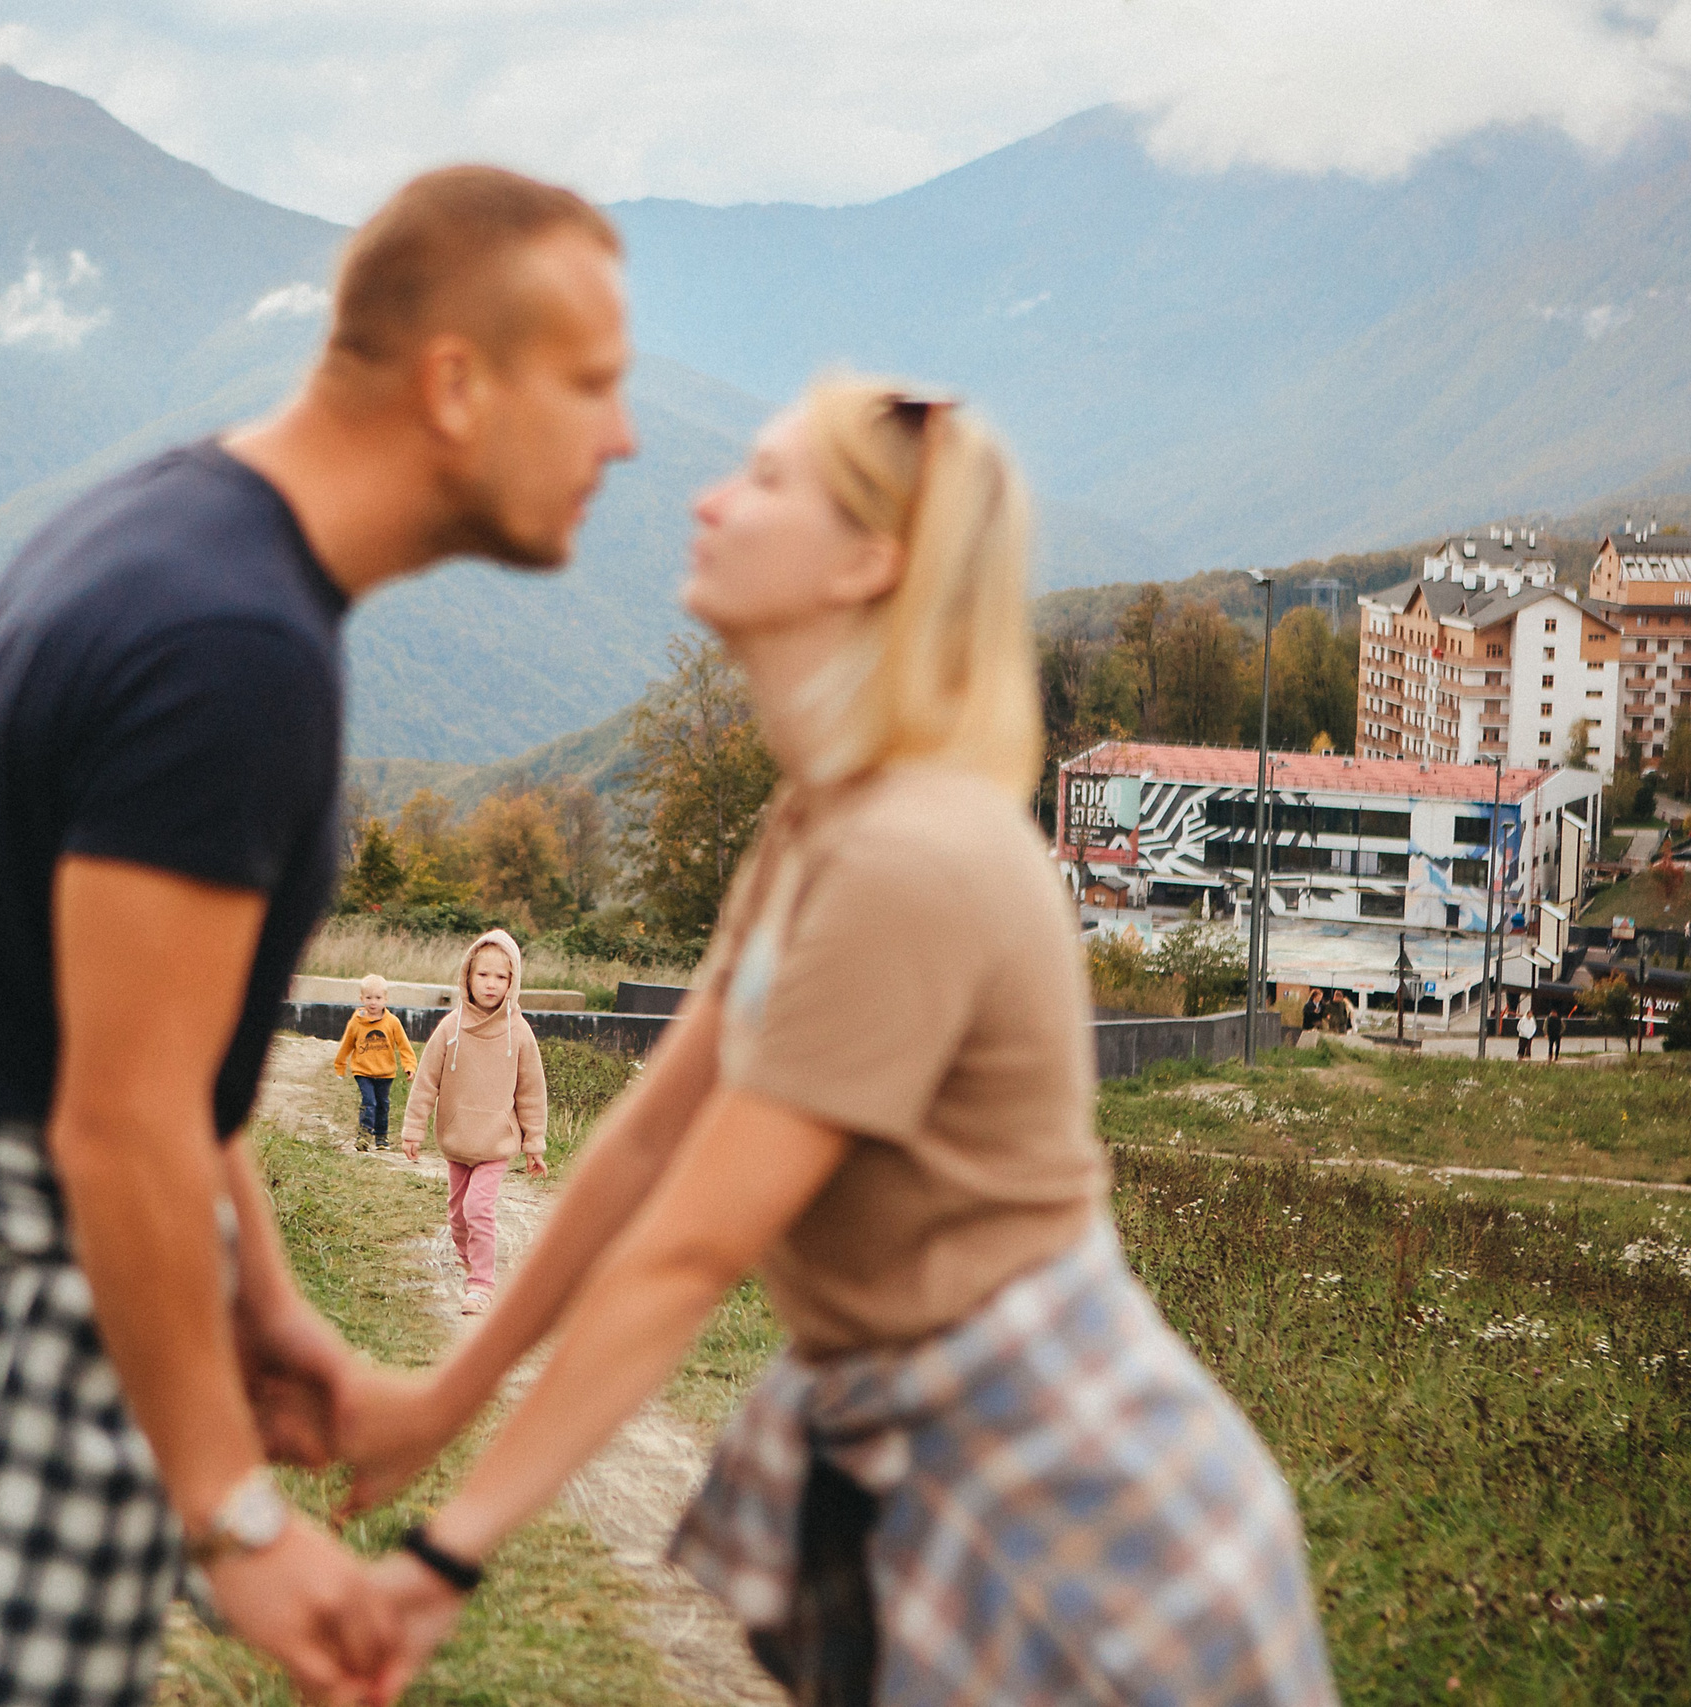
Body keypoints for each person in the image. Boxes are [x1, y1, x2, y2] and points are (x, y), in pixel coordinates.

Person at [0, 165, 636, 1707]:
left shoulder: (179, 524)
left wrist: (267, 1311)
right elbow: (123, 1119)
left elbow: (150, 1047)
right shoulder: (236, 650)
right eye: (596, 383)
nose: (621, 433)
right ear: (457, 384)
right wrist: (233, 1511)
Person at [345, 380, 1336, 1707]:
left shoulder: (910, 857)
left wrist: (443, 1555)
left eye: (760, 479)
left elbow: (689, 1248)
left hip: (1069, 1509)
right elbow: (646, 1140)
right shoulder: (819, 823)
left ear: (872, 557)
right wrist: (440, 1398)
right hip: (916, 1448)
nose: (706, 497)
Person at [401, 930, 549, 1314]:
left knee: (478, 1208)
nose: (491, 984)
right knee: (457, 1215)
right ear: (467, 975)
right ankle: (469, 1259)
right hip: (456, 1139)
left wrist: (534, 1144)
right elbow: (426, 1083)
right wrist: (413, 1130)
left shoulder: (520, 1032)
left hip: (496, 1142)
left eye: (501, 977)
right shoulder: (450, 1028)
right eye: (483, 975)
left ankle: (482, 1284)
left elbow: (531, 1093)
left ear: (513, 983)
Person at [333, 974, 419, 1148]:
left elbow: (403, 1045)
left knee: (382, 1104)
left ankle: (381, 1137)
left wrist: (409, 1065)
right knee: (369, 1102)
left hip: (385, 1072)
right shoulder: (357, 1022)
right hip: (362, 1071)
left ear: (385, 999)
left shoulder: (392, 1022)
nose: (373, 1002)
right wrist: (340, 1065)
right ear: (361, 998)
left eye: (378, 998)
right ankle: (363, 1136)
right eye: (369, 998)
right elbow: (347, 1044)